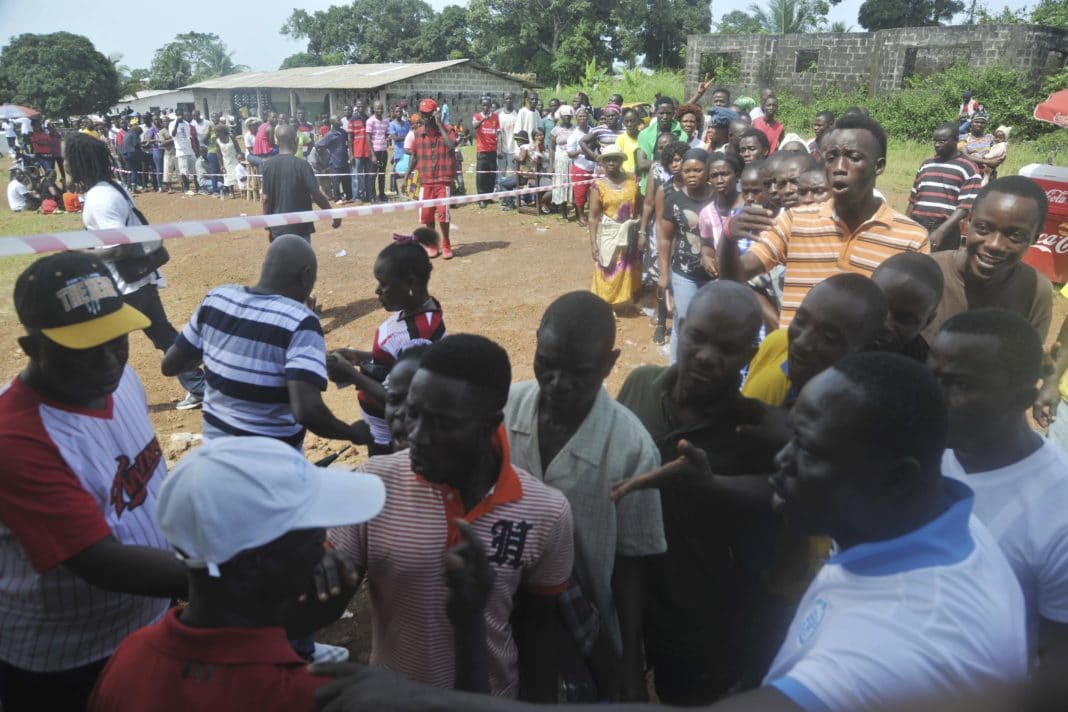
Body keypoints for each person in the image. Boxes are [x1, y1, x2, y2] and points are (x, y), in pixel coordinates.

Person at [328, 334, 575, 700]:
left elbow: (539, 636)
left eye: (443, 424)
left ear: (490, 424)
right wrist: (315, 576)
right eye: (413, 412)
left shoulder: (545, 513)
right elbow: (323, 607)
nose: (417, 435)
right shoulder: (371, 486)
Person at [0, 252, 188, 711]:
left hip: (146, 622)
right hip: (67, 659)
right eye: (85, 348)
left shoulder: (121, 381)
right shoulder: (15, 437)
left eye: (115, 338)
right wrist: (229, 577)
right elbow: (98, 562)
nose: (108, 360)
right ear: (32, 349)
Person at [87, 436, 386, 712]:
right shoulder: (302, 694)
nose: (325, 543)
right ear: (257, 563)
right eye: (312, 530)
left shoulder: (131, 657)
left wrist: (297, 623)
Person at [503, 292, 666, 701]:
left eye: (579, 371)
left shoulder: (631, 448)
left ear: (609, 364)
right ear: (537, 340)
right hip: (504, 612)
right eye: (546, 364)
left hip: (583, 628)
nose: (558, 382)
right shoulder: (505, 410)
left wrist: (630, 659)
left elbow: (632, 565)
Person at [931, 308, 1068, 676]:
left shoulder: (1060, 514)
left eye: (960, 385)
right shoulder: (920, 459)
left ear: (1023, 396)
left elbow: (1056, 676)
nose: (935, 397)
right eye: (934, 379)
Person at [162, 234, 367, 456]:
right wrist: (352, 433)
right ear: (306, 276)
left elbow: (171, 365)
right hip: (271, 468)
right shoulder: (301, 321)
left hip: (215, 459)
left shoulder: (216, 300)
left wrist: (221, 349)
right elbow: (308, 411)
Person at [719, 114, 929, 327]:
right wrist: (728, 237)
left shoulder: (911, 238)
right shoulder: (794, 221)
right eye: (831, 158)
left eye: (853, 157)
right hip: (799, 356)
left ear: (879, 166)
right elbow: (734, 276)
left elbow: (909, 320)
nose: (838, 167)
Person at [65, 132, 206, 409]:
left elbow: (121, 249)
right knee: (163, 335)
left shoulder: (100, 198)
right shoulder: (111, 188)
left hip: (122, 286)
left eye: (67, 159)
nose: (64, 164)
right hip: (137, 280)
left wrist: (77, 253)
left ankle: (104, 402)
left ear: (79, 162)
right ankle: (199, 386)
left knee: (104, 345)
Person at [327, 232, 446, 456]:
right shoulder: (414, 312)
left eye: (384, 284)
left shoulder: (417, 336)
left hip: (390, 438)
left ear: (410, 282)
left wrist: (352, 376)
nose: (377, 291)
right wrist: (359, 356)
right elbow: (396, 363)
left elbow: (400, 399)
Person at [921, 176, 1052, 343]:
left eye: (1016, 236)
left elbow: (1027, 356)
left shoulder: (1036, 291)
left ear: (1035, 238)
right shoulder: (929, 273)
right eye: (983, 228)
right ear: (968, 222)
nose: (995, 245)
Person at [659, 148, 716, 362]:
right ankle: (675, 372)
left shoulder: (719, 196)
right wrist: (664, 274)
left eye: (697, 170)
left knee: (711, 324)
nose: (691, 175)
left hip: (716, 273)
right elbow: (665, 238)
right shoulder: (674, 199)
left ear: (707, 170)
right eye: (686, 171)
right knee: (683, 322)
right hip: (684, 272)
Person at [907, 122, 983, 251]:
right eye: (935, 141)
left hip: (945, 230)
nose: (937, 145)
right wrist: (906, 224)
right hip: (917, 225)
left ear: (955, 140)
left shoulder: (968, 167)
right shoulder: (927, 164)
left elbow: (966, 206)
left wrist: (941, 231)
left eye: (942, 141)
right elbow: (913, 199)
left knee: (940, 268)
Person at [262, 124, 341, 243]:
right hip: (300, 229)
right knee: (302, 260)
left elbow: (266, 200)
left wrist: (268, 226)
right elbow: (316, 195)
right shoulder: (302, 165)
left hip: (278, 228)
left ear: (277, 142)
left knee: (282, 261)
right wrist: (332, 214)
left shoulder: (268, 166)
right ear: (295, 140)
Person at [588, 145, 641, 309]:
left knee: (628, 267)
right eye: (608, 159)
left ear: (621, 161)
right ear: (603, 162)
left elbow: (639, 206)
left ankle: (623, 302)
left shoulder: (633, 181)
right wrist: (593, 243)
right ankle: (604, 305)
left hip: (630, 232)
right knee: (608, 267)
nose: (612, 162)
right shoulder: (598, 185)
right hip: (609, 232)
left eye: (615, 158)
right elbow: (593, 217)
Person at [871, 251, 944, 362]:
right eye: (878, 305)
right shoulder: (838, 327)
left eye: (905, 320)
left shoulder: (923, 372)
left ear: (927, 322)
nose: (885, 324)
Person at [408, 98, 458, 259]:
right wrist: (407, 175)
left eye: (428, 114)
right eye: (423, 114)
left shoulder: (448, 130)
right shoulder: (418, 133)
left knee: (443, 214)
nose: (425, 117)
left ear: (435, 113)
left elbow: (451, 146)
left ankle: (446, 243)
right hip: (426, 180)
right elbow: (414, 157)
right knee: (428, 215)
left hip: (443, 179)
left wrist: (439, 125)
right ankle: (432, 244)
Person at [567, 108, 594, 226]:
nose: (582, 119)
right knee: (580, 195)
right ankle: (581, 216)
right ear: (576, 119)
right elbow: (570, 153)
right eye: (580, 117)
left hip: (593, 167)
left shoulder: (593, 131)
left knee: (594, 194)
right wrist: (581, 150)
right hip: (579, 167)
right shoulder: (574, 135)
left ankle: (594, 215)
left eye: (584, 116)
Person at [473, 97, 500, 207]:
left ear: (490, 106)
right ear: (481, 105)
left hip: (492, 151)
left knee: (491, 174)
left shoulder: (495, 117)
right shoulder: (477, 116)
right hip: (482, 151)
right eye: (484, 105)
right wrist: (483, 119)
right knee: (481, 175)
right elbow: (474, 126)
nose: (486, 107)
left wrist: (499, 148)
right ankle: (481, 198)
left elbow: (498, 133)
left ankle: (488, 197)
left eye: (488, 105)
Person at [316, 118, 352, 203]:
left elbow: (348, 143)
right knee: (336, 180)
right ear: (332, 122)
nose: (340, 121)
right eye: (337, 120)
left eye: (339, 119)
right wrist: (327, 151)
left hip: (344, 159)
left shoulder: (343, 132)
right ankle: (337, 198)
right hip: (334, 161)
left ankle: (348, 196)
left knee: (346, 179)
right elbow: (318, 144)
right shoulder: (329, 134)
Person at [551, 105, 576, 218]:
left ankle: (575, 209)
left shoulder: (575, 129)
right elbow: (551, 148)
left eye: (569, 116)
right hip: (560, 160)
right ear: (560, 116)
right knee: (561, 184)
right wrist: (551, 164)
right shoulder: (555, 130)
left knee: (573, 184)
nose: (567, 118)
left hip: (573, 160)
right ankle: (563, 212)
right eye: (564, 116)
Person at [367, 100, 390, 202]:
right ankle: (372, 196)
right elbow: (368, 137)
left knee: (381, 173)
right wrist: (372, 155)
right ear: (374, 109)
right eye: (377, 108)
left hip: (383, 152)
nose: (379, 110)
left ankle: (382, 194)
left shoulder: (386, 121)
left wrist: (388, 137)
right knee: (373, 174)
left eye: (381, 108)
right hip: (375, 152)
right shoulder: (370, 121)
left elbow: (386, 134)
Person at [388, 106, 411, 195]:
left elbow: (410, 136)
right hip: (398, 152)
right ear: (394, 113)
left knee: (407, 171)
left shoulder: (407, 124)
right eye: (397, 111)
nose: (398, 113)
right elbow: (395, 138)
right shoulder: (392, 124)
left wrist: (404, 138)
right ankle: (398, 191)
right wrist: (405, 137)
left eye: (400, 111)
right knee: (398, 172)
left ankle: (407, 190)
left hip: (407, 152)